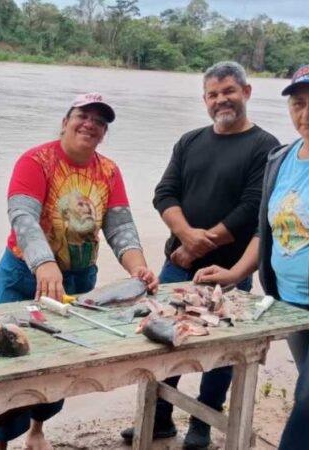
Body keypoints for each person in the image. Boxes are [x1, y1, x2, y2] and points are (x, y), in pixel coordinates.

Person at [195, 62, 309, 450]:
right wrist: (235, 271)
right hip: (291, 301)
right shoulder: (280, 158)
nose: (307, 114)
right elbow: (269, 230)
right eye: (299, 104)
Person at [121, 61, 281, 449]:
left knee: (222, 350)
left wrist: (196, 245)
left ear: (246, 92)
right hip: (176, 266)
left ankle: (203, 420)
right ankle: (159, 418)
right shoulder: (190, 141)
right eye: (212, 94)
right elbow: (165, 193)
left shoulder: (266, 147)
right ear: (204, 100)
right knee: (162, 337)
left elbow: (251, 207)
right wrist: (185, 236)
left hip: (230, 270)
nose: (220, 100)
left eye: (228, 91)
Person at [0, 92, 159, 450]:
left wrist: (139, 268)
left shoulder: (109, 171)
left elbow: (119, 228)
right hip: (24, 275)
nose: (91, 125)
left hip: (79, 281)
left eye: (100, 122)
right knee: (7, 362)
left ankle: (37, 429)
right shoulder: (36, 161)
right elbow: (23, 218)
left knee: (60, 361)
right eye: (83, 116)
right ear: (65, 121)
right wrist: (44, 264)